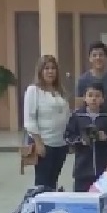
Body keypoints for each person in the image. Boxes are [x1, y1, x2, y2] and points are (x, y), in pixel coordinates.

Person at [23, 54, 70, 191]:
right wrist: (38, 143)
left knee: (53, 182)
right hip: (45, 144)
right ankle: (39, 210)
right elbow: (29, 120)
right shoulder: (33, 91)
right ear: (40, 71)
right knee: (42, 184)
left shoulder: (59, 91)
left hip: (61, 144)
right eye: (47, 68)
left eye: (53, 68)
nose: (50, 71)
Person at [65, 82, 107, 192]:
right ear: (84, 98)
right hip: (82, 168)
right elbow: (68, 137)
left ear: (103, 99)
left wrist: (106, 138)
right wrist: (80, 140)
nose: (94, 99)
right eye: (90, 95)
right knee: (81, 200)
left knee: (104, 201)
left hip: (104, 169)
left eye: (97, 96)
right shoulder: (77, 116)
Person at [76, 41, 107, 115]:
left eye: (101, 55)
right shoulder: (82, 80)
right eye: (94, 55)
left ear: (106, 57)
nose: (98, 58)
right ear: (90, 58)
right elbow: (79, 107)